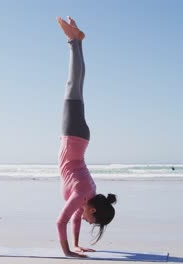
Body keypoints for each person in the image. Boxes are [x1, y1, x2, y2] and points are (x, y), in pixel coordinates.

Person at [56, 16, 117, 258]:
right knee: (73, 84)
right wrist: (68, 252)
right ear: (92, 209)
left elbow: (74, 218)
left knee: (78, 85)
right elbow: (61, 221)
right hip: (72, 136)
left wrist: (77, 244)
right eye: (92, 220)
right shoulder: (83, 194)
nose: (88, 221)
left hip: (80, 139)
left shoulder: (89, 195)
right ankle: (74, 41)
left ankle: (77, 41)